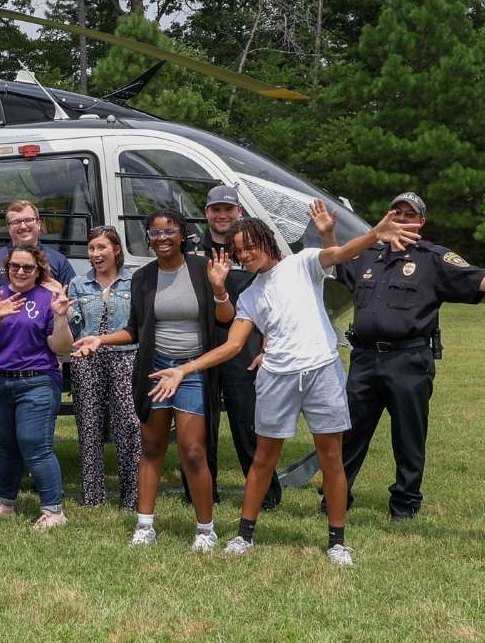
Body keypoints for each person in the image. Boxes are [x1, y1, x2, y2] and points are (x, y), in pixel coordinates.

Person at [161, 202, 420, 566]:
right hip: (277, 378)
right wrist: (184, 369)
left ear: (266, 240)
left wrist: (375, 234)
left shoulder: (303, 263)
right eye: (238, 251)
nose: (244, 254)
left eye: (249, 245)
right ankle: (244, 535)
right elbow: (233, 345)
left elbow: (341, 252)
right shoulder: (250, 295)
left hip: (321, 370)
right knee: (263, 459)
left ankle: (337, 542)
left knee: (332, 457)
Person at [327, 192, 485, 521]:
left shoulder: (432, 258)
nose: (400, 217)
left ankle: (404, 505)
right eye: (395, 211)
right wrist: (327, 233)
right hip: (365, 359)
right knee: (349, 433)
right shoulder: (369, 256)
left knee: (409, 436)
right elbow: (338, 266)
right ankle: (335, 498)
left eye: (408, 214)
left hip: (408, 361)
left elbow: (476, 276)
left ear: (420, 223)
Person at [77, 212, 232, 550]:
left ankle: (206, 530)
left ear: (183, 234)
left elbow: (225, 320)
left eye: (169, 231)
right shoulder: (143, 277)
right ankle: (145, 525)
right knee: (151, 447)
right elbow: (135, 328)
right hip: (155, 369)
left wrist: (220, 289)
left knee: (192, 451)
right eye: (155, 232)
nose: (162, 238)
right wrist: (99, 340)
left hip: (193, 371)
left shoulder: (201, 269)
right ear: (148, 237)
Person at [0, 244, 73, 530]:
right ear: (6, 269)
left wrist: (59, 316)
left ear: (38, 270)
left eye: (27, 267)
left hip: (37, 381)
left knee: (35, 445)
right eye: (14, 266)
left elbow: (61, 347)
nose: (20, 272)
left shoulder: (48, 299)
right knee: (6, 446)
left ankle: (54, 510)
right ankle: (5, 502)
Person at [200, 186, 277, 511]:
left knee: (248, 423)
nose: (222, 216)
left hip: (244, 348)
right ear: (206, 213)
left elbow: (275, 302)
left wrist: (268, 345)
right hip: (202, 346)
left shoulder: (251, 250)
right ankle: (203, 493)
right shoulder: (192, 248)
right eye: (215, 210)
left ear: (239, 213)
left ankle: (267, 495)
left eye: (228, 210)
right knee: (203, 425)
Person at [63, 226, 140, 511]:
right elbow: (72, 327)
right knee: (89, 426)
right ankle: (93, 496)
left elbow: (139, 325)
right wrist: (62, 312)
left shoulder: (134, 281)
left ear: (116, 250)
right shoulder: (78, 284)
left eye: (101, 248)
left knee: (129, 427)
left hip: (126, 357)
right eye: (92, 248)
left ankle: (132, 497)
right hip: (87, 360)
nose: (95, 254)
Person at [0, 200, 78, 294]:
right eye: (16, 222)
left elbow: (73, 298)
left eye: (28, 220)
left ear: (39, 224)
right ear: (8, 228)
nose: (23, 226)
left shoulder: (58, 261)